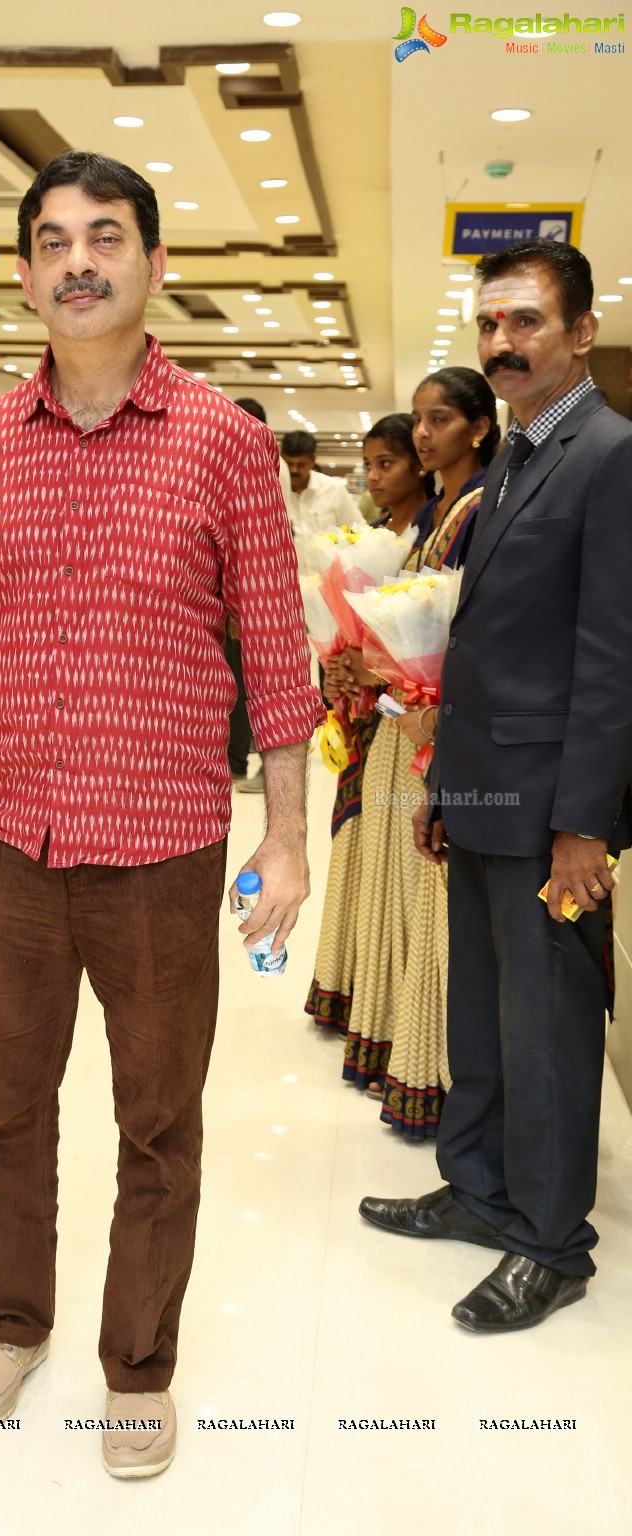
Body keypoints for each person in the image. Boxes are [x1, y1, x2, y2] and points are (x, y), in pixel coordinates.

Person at [0, 151, 324, 1477]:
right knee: (3, 1109)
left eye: (107, 236)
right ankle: (12, 1321)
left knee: (158, 1120)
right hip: (7, 847)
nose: (79, 260)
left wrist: (290, 836)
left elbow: (278, 658)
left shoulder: (226, 444)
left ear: (154, 264)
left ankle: (138, 1361)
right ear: (24, 274)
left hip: (163, 854)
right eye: (54, 241)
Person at [361, 240, 632, 1332]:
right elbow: (486, 636)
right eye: (489, 325)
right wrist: (442, 787)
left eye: (524, 322)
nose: (501, 343)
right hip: (478, 790)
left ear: (580, 333)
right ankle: (479, 1189)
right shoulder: (516, 454)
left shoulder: (608, 454)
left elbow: (612, 655)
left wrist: (583, 828)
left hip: (550, 815)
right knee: (479, 1015)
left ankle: (551, 1243)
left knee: (549, 1028)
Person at [337, 368, 495, 1097]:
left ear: (480, 428)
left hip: (444, 728)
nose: (425, 434)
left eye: (440, 421)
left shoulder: (480, 508)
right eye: (419, 421)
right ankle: (403, 1042)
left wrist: (402, 682)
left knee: (434, 909)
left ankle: (435, 1071)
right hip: (409, 718)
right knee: (404, 897)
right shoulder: (439, 514)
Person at [305, 413, 430, 1037]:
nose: (375, 477)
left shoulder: (435, 535)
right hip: (375, 718)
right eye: (370, 464)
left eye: (388, 463)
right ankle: (360, 990)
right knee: (362, 851)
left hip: (412, 720)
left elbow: (428, 645)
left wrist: (377, 671)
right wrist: (336, 670)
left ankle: (396, 1009)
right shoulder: (372, 538)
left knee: (401, 865)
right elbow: (345, 639)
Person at [228, 397, 294, 791]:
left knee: (253, 681)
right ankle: (243, 759)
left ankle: (245, 762)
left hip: (256, 595)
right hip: (251, 595)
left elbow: (256, 541)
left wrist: (240, 607)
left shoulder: (262, 462)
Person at [282, 429, 359, 574]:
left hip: (329, 583)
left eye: (301, 464)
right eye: (289, 463)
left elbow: (358, 532)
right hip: (288, 584)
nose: (294, 470)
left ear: (312, 461)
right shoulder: (275, 494)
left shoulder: (333, 490)